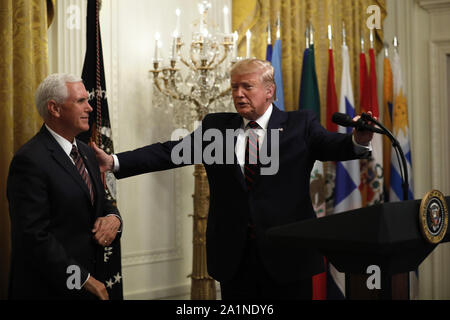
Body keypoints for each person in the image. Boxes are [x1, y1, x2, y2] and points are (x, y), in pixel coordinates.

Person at [93, 58, 373, 299]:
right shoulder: (218, 127)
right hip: (234, 259)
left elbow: (333, 145)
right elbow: (170, 152)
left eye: (246, 87)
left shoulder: (300, 124)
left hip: (289, 258)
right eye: (234, 87)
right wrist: (115, 161)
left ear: (269, 91)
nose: (238, 94)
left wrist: (358, 139)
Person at [7, 73, 122, 300]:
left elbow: (102, 203)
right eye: (81, 101)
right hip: (50, 289)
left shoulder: (88, 152)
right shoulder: (30, 160)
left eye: (88, 100)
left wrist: (115, 219)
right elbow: (32, 237)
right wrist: (83, 279)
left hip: (92, 284)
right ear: (55, 108)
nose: (90, 108)